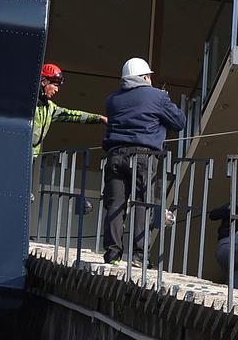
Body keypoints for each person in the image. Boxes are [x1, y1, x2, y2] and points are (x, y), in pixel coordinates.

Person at [101, 57, 186, 265]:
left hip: (115, 154)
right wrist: (165, 99)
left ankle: (112, 254)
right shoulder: (157, 96)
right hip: (144, 157)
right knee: (143, 203)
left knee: (115, 203)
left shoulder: (112, 100)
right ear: (145, 77)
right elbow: (179, 122)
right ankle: (139, 256)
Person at [32, 63, 105, 156]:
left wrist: (99, 118)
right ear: (44, 82)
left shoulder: (50, 108)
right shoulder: (28, 104)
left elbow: (73, 115)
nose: (57, 90)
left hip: (31, 157)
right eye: (55, 85)